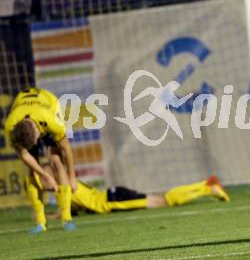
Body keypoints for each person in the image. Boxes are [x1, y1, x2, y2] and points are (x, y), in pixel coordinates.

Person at [5, 87, 77, 233]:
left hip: (49, 103)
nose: (37, 144)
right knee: (32, 170)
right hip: (24, 105)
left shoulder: (51, 122)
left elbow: (66, 149)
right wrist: (45, 176)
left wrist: (72, 177)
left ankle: (66, 219)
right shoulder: (11, 126)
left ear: (38, 133)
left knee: (56, 161)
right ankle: (40, 223)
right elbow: (24, 155)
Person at [41, 176, 229, 215]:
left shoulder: (64, 188)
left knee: (164, 202)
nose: (42, 184)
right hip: (114, 195)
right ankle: (206, 186)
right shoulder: (68, 184)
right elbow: (72, 210)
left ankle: (206, 187)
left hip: (114, 201)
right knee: (162, 199)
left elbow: (64, 212)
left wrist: (47, 216)